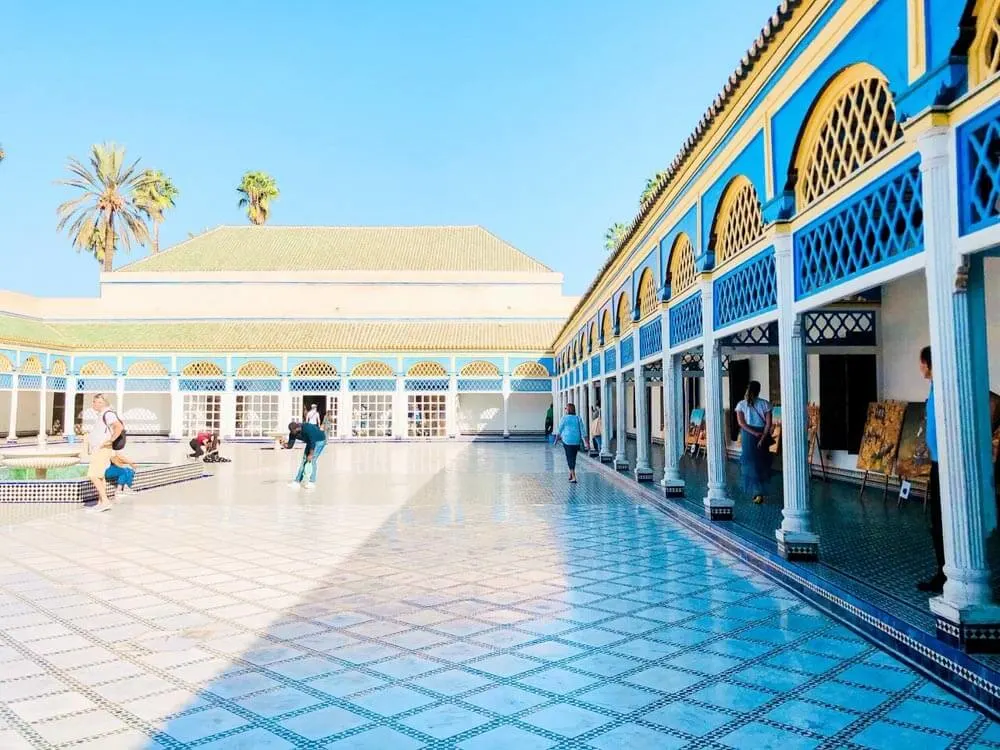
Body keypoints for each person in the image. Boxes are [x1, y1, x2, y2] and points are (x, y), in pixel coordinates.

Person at [917, 346, 946, 594]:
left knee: (943, 519)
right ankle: (943, 570)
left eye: (921, 363)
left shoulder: (945, 388)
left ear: (928, 363)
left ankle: (949, 573)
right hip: (938, 463)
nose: (920, 368)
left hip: (948, 465)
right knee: (937, 521)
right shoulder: (936, 387)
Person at [734, 381, 773, 505]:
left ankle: (756, 492)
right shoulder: (765, 404)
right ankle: (760, 490)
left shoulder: (741, 405)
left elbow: (741, 423)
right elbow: (768, 424)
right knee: (761, 462)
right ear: (759, 390)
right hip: (763, 433)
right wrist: (762, 437)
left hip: (748, 436)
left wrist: (753, 433)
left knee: (750, 462)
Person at [85, 394, 123, 512]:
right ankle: (101, 502)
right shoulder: (102, 414)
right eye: (94, 402)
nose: (94, 404)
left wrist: (110, 440)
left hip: (102, 449)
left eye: (96, 402)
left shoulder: (108, 414)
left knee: (93, 475)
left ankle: (105, 501)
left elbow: (119, 427)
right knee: (100, 476)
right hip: (99, 449)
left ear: (103, 403)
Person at [283, 420, 327, 489]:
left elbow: (313, 442)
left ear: (297, 428)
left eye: (293, 431)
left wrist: (311, 454)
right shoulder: (292, 433)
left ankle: (312, 482)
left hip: (319, 440)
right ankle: (297, 482)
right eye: (291, 431)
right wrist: (285, 445)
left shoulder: (307, 428)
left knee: (312, 460)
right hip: (310, 442)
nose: (292, 433)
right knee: (304, 460)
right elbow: (290, 445)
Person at [554, 402, 587, 483]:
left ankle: (574, 477)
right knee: (573, 458)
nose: (565, 410)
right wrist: (587, 442)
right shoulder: (578, 418)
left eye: (566, 408)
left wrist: (556, 440)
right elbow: (583, 431)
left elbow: (560, 430)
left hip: (567, 441)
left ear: (568, 410)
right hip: (576, 441)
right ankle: (571, 474)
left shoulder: (564, 418)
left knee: (569, 458)